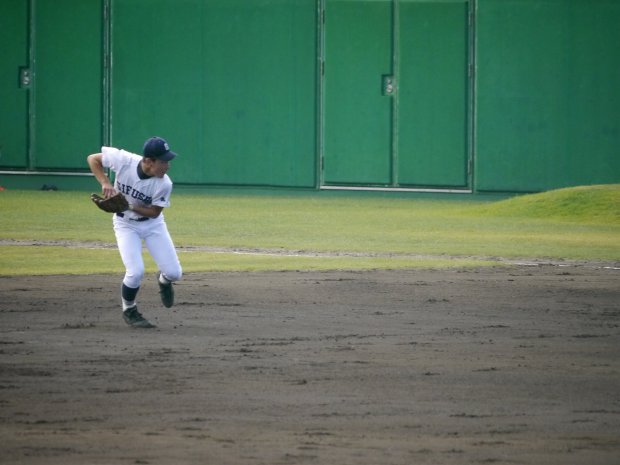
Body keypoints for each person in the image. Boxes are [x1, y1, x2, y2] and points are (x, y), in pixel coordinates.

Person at [87, 136, 182, 328]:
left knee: (174, 273)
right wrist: (105, 183)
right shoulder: (124, 160)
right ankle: (129, 309)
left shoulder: (165, 184)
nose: (167, 165)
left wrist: (129, 205)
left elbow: (155, 213)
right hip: (126, 225)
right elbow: (93, 159)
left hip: (153, 225)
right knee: (135, 271)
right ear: (148, 161)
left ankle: (163, 281)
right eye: (163, 161)